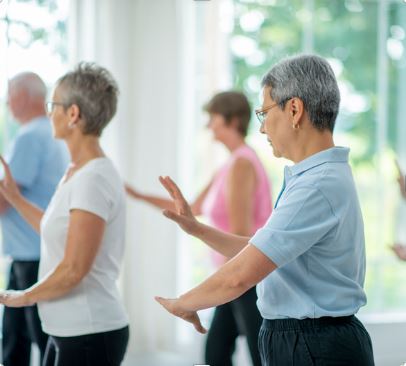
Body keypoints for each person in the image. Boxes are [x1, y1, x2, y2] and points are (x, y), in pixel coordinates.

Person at [154, 54, 375, 365]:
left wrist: (185, 303)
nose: (261, 129)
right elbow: (259, 249)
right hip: (308, 341)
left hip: (313, 345)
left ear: (294, 110)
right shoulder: (315, 178)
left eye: (264, 113)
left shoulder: (317, 185)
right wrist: (196, 228)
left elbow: (240, 275)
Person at [126, 91, 272, 366]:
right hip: (235, 272)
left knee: (256, 355)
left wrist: (217, 286)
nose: (209, 126)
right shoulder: (231, 163)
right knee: (216, 353)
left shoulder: (242, 164)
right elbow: (193, 207)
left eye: (213, 118)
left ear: (232, 120)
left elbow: (241, 235)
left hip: (246, 277)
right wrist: (136, 195)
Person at [0, 63, 129, 366]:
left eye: (53, 104)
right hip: (67, 330)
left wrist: (23, 296)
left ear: (73, 114)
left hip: (90, 331)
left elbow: (74, 268)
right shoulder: (76, 171)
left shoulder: (93, 178)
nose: (48, 113)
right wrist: (16, 199)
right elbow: (52, 228)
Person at [0, 72, 68, 366]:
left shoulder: (28, 137)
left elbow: (4, 198)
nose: (6, 103)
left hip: (31, 254)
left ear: (25, 97)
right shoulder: (49, 134)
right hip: (35, 250)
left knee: (30, 339)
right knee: (21, 337)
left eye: (10, 95)